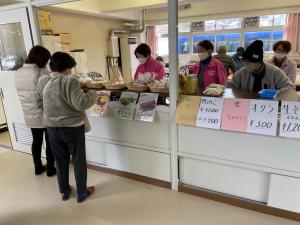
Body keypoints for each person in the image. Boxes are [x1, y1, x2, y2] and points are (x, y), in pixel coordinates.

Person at [37, 52, 98, 203]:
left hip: (52, 127)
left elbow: (40, 102)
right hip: (72, 127)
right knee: (78, 160)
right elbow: (81, 103)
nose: (71, 70)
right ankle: (82, 193)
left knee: (60, 160)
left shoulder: (45, 81)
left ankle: (64, 191)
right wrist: (93, 94)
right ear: (66, 67)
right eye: (70, 67)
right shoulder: (70, 82)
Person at [15, 46, 56, 177]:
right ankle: (50, 169)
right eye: (46, 60)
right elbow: (48, 94)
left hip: (29, 113)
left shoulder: (18, 72)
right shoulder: (41, 73)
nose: (47, 63)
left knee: (36, 141)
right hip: (44, 112)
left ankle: (38, 167)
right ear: (41, 59)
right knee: (50, 142)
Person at [226, 40, 295, 91]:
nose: (245, 65)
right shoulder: (241, 73)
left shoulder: (275, 72)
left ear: (258, 62)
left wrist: (277, 93)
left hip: (268, 106)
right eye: (245, 62)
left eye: (248, 62)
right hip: (247, 105)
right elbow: (230, 86)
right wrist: (219, 88)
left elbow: (290, 86)